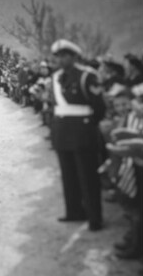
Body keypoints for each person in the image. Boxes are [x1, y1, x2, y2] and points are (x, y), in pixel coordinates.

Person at [50, 39, 106, 231]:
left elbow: (100, 109)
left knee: (88, 177)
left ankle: (94, 218)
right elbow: (54, 106)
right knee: (68, 176)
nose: (60, 59)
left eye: (65, 55)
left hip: (83, 134)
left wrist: (88, 126)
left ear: (74, 57)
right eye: (58, 56)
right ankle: (74, 211)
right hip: (62, 134)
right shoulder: (56, 78)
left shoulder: (87, 76)